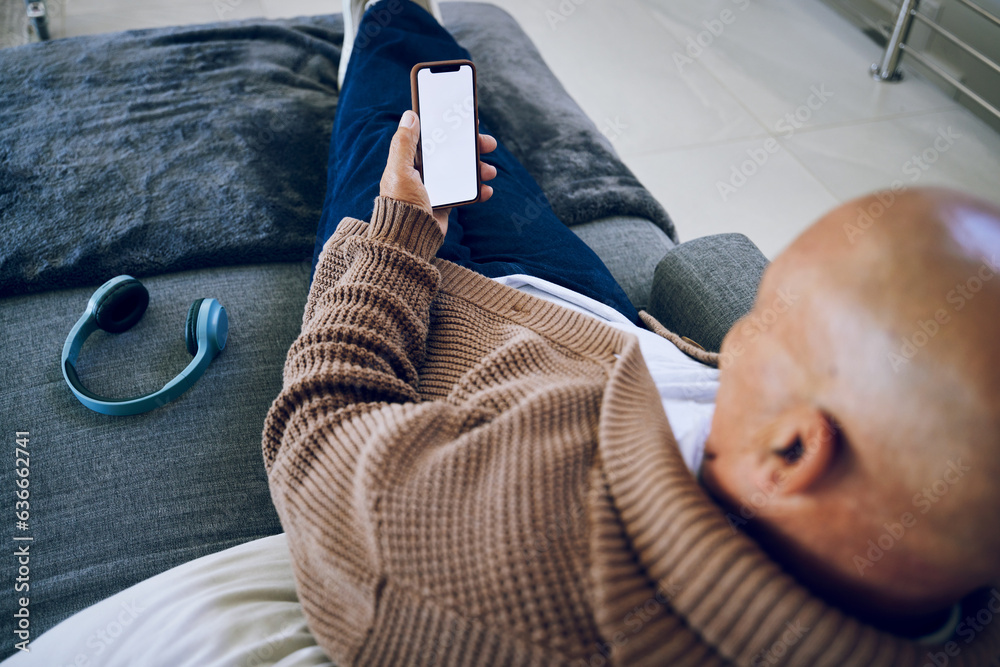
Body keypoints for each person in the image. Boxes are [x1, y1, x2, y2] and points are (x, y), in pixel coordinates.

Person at [263, 0, 1000, 664]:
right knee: (475, 151)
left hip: (422, 326)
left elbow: (317, 430)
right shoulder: (937, 563)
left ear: (796, 448)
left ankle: (384, 17)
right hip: (585, 312)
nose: (736, 339)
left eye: (769, 322)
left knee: (388, 119)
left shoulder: (478, 566)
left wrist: (394, 243)